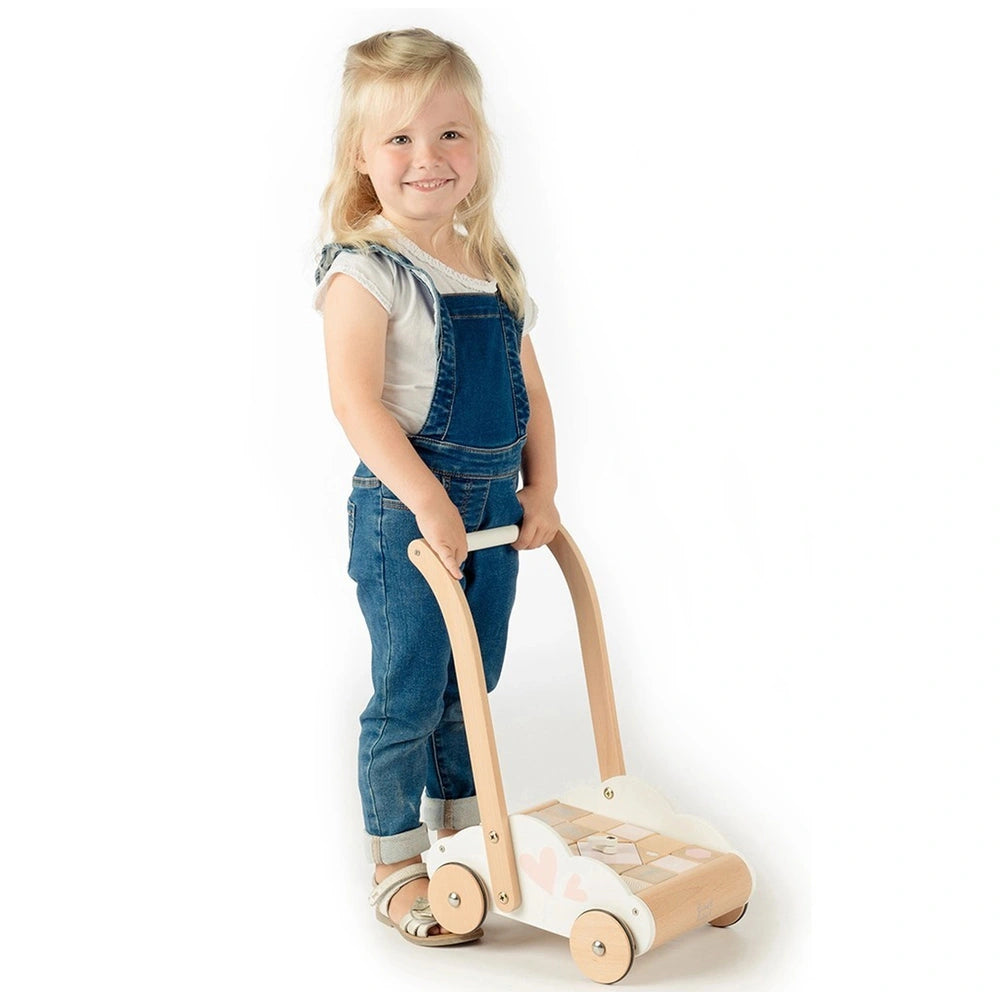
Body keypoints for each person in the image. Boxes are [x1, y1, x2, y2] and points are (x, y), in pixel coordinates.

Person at [313, 28, 560, 947]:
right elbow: (356, 402)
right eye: (400, 139)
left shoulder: (490, 263)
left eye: (450, 133)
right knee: (411, 690)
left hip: (493, 509)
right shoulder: (366, 268)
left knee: (473, 684)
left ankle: (465, 841)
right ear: (361, 156)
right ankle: (394, 860)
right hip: (407, 512)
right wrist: (426, 500)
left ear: (479, 144)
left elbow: (532, 390)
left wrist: (543, 489)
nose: (428, 157)